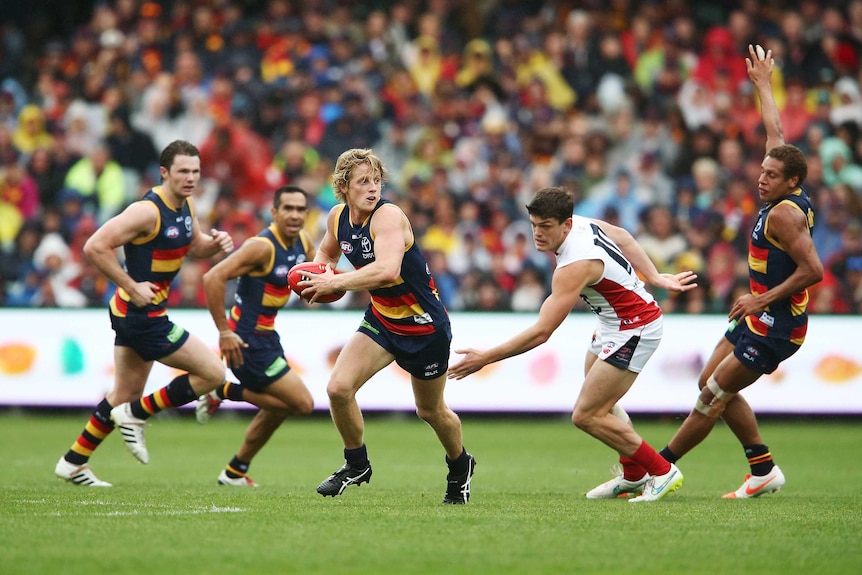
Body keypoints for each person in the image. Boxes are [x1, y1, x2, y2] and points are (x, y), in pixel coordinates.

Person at [448, 186, 698, 503]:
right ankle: (633, 476)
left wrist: (486, 357)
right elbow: (622, 235)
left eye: (546, 227)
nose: (537, 234)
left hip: (636, 328)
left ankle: (661, 470)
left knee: (586, 415)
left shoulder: (574, 265)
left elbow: (542, 332)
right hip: (612, 322)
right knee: (599, 403)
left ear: (565, 224)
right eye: (534, 224)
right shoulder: (580, 223)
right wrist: (655, 277)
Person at [656, 45, 824, 499]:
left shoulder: (785, 216)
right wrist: (764, 85)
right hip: (756, 316)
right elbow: (775, 130)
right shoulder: (782, 184)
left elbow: (814, 270)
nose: (761, 178)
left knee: (711, 395)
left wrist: (761, 299)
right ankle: (762, 469)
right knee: (710, 384)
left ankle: (658, 468)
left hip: (777, 325)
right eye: (763, 170)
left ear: (792, 182)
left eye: (771, 175)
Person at [296, 148, 475, 504]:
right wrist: (317, 273)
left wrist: (334, 283)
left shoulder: (388, 217)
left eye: (376, 180)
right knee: (338, 389)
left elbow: (388, 270)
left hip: (423, 326)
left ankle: (460, 466)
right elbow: (327, 254)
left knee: (431, 411)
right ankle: (356, 464)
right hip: (382, 319)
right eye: (363, 181)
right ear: (344, 186)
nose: (373, 188)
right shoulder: (337, 217)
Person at [54, 140, 234, 486]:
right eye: (183, 171)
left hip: (139, 311)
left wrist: (214, 245)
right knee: (212, 373)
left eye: (195, 171)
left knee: (123, 393)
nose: (191, 178)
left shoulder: (186, 206)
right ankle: (134, 417)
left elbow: (193, 245)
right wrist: (132, 284)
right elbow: (95, 246)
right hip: (141, 314)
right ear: (164, 173)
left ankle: (73, 462)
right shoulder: (146, 211)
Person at [196, 185, 316, 486]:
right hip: (245, 340)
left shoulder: (304, 242)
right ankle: (222, 391)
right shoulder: (261, 246)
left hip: (267, 337)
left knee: (276, 410)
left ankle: (235, 471)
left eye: (300, 209)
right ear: (274, 213)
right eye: (287, 208)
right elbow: (212, 277)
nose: (295, 215)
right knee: (302, 405)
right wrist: (224, 332)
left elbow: (320, 279)